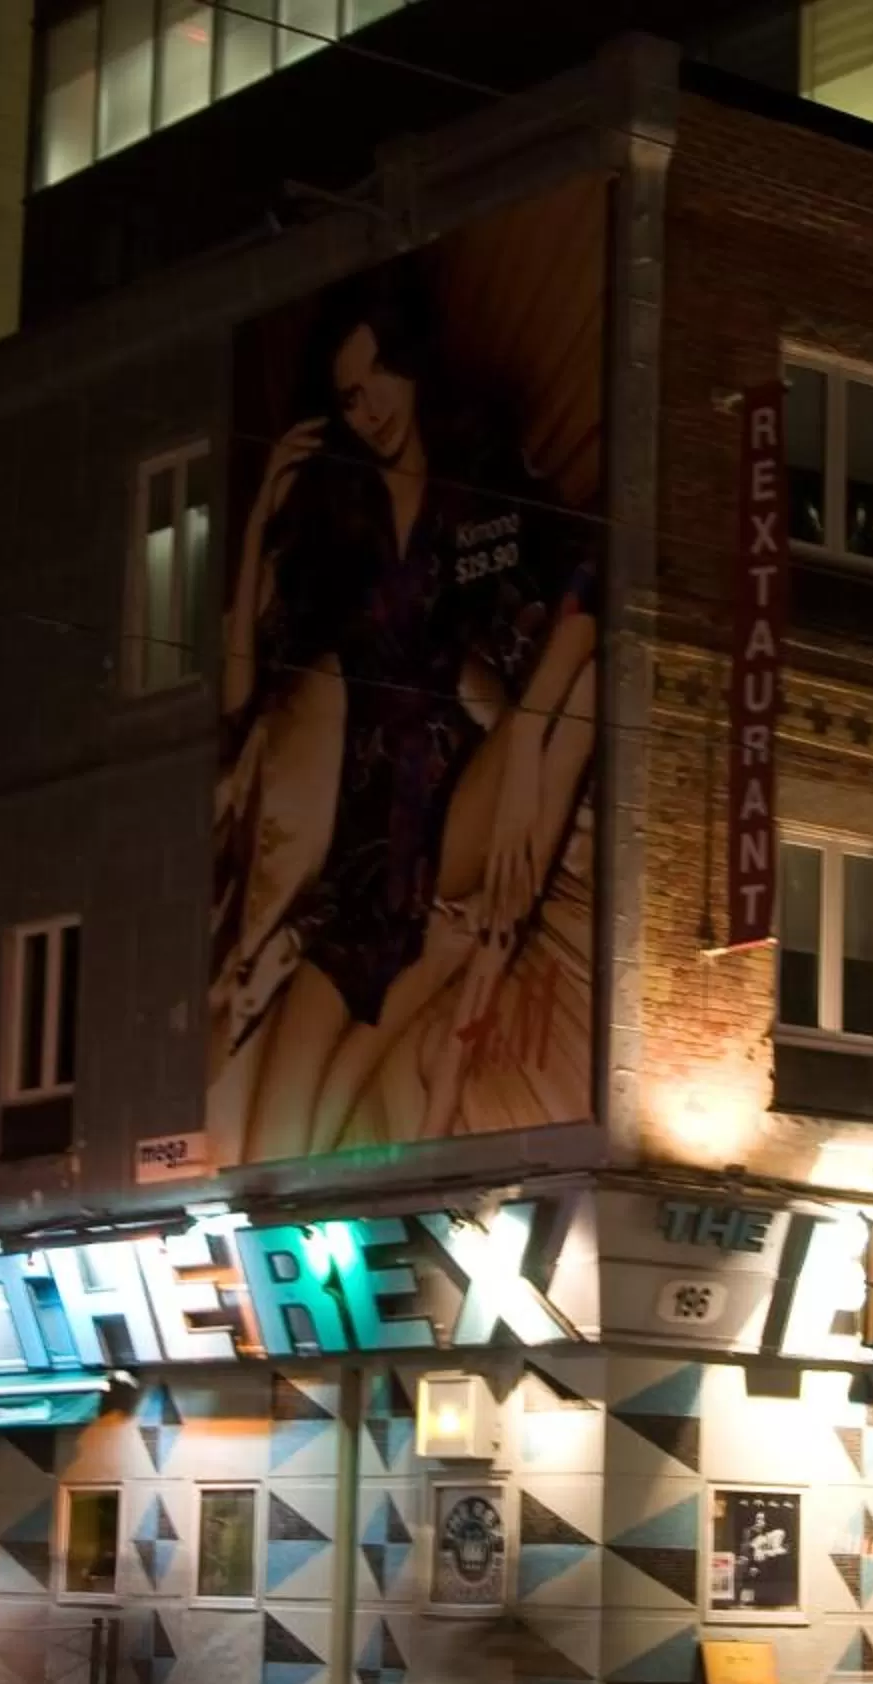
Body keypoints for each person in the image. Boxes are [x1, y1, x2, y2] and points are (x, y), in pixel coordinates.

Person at [210, 262, 600, 1166]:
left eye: (380, 372)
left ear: (411, 363)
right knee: (279, 1132)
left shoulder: (483, 474)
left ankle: (440, 1054)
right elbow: (234, 696)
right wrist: (259, 516)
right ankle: (422, 1102)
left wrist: (526, 751)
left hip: (459, 796)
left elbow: (591, 574)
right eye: (348, 394)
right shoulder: (333, 522)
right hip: (359, 859)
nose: (369, 404)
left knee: (581, 692)